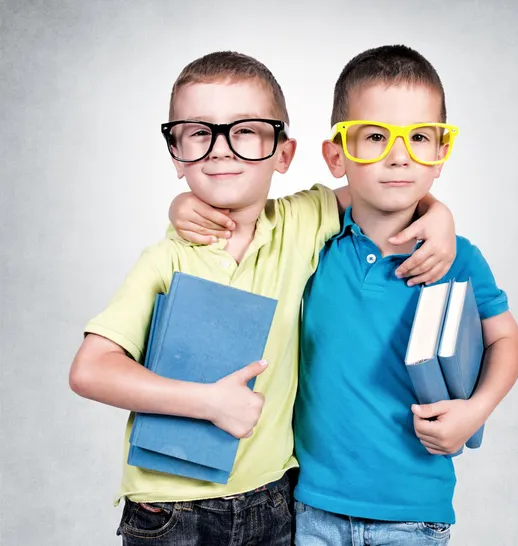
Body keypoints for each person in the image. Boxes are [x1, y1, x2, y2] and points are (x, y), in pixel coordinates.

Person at [69, 50, 456, 545]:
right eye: (199, 132)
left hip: (275, 500)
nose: (222, 150)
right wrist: (206, 402)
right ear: (176, 154)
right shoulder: (167, 258)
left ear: (284, 153)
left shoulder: (300, 222)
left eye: (245, 130)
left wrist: (438, 214)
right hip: (172, 507)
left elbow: (383, 190)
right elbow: (90, 369)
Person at [172, 45, 518, 545]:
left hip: (414, 512)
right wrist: (183, 200)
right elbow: (240, 210)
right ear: (336, 156)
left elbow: (508, 340)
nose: (399, 156)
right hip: (310, 506)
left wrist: (477, 410)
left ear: (442, 154)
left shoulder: (457, 257)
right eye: (376, 137)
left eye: (420, 138)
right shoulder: (312, 243)